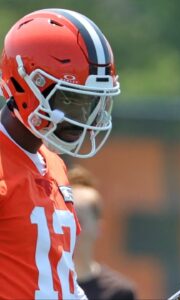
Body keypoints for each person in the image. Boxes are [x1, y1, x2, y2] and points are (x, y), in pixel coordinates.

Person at [0, 8, 120, 299]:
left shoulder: (52, 163)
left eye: (94, 102)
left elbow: (59, 279)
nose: (86, 117)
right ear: (26, 84)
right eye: (73, 99)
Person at [68, 165, 137, 300]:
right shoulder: (42, 284)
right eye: (66, 219)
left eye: (79, 220)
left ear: (99, 228)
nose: (71, 228)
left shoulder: (120, 292)